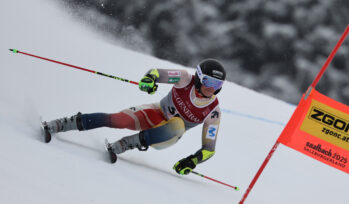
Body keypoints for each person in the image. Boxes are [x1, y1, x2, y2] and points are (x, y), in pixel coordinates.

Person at [42, 58, 225, 175]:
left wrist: (191, 161)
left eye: (217, 84)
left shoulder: (213, 112)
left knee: (178, 125)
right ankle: (61, 124)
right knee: (119, 119)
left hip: (167, 135)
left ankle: (126, 144)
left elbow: (209, 149)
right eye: (208, 81)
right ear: (199, 77)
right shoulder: (184, 79)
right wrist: (149, 80)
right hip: (156, 112)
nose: (211, 88)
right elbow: (156, 73)